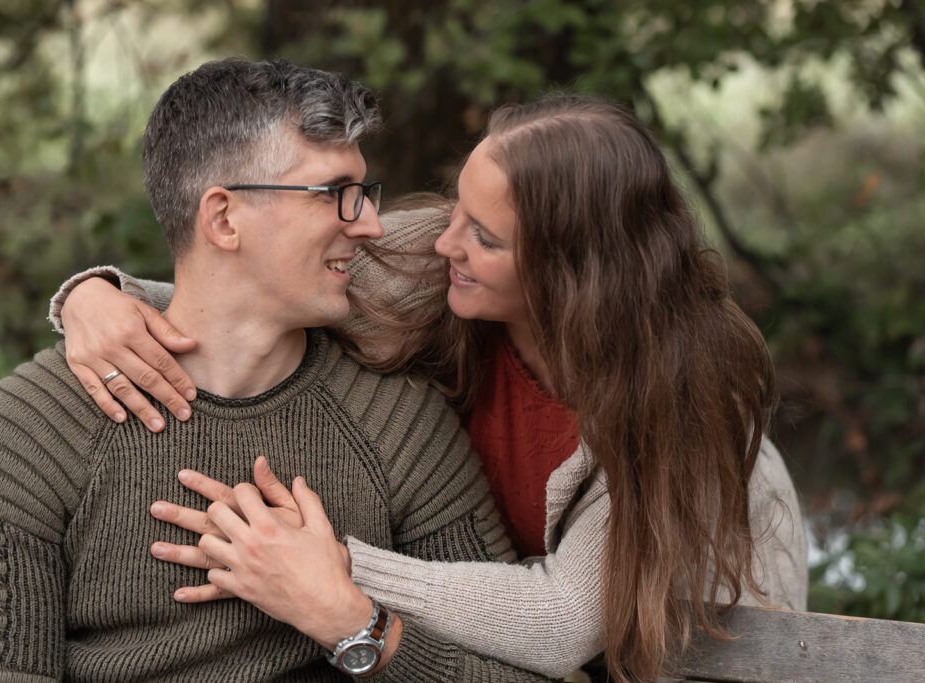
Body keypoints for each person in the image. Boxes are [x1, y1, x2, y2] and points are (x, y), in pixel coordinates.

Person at [51, 94, 808, 681]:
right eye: (459, 210)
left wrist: (331, 571)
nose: (446, 241)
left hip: (692, 643)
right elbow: (251, 291)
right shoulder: (438, 264)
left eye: (484, 236)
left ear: (572, 271)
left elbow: (564, 619)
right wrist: (97, 295)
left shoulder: (678, 403)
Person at [0, 57, 552, 682]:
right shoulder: (40, 424)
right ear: (224, 218)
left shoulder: (396, 419)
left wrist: (353, 623)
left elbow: (511, 669)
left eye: (363, 193)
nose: (367, 224)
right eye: (336, 194)